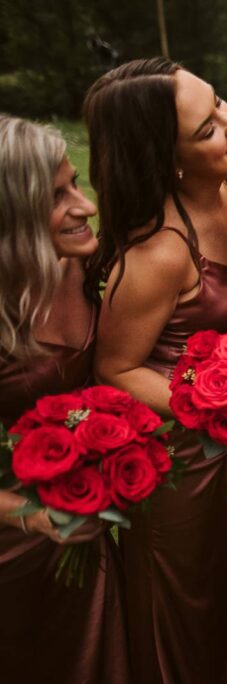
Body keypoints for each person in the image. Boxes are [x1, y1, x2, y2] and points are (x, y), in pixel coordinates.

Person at [85, 58, 227, 683]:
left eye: (220, 103)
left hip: (205, 440)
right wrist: (216, 406)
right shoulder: (159, 250)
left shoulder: (226, 192)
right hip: (167, 458)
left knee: (215, 579)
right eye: (207, 128)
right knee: (182, 595)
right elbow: (116, 367)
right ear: (169, 159)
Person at [0, 114, 129, 684]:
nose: (86, 205)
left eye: (75, 183)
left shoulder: (86, 265)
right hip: (16, 542)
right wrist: (39, 518)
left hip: (84, 517)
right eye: (57, 196)